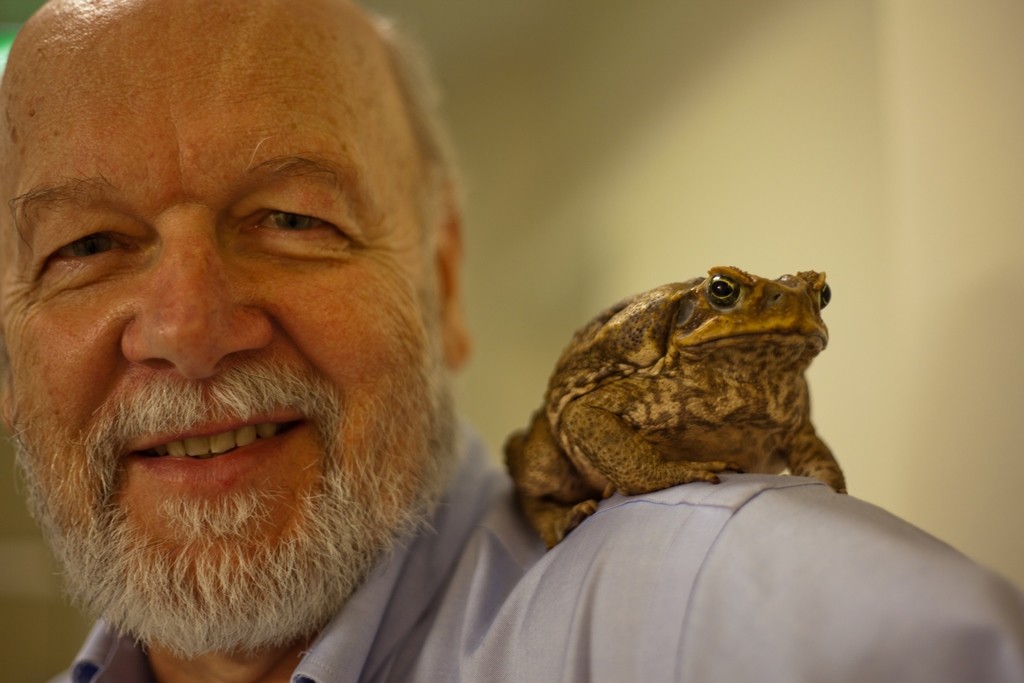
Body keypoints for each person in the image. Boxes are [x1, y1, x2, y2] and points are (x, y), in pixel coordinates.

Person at [1, 1, 1022, 681]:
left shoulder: (703, 595)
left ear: (441, 280)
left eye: (293, 218)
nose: (187, 329)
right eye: (85, 244)